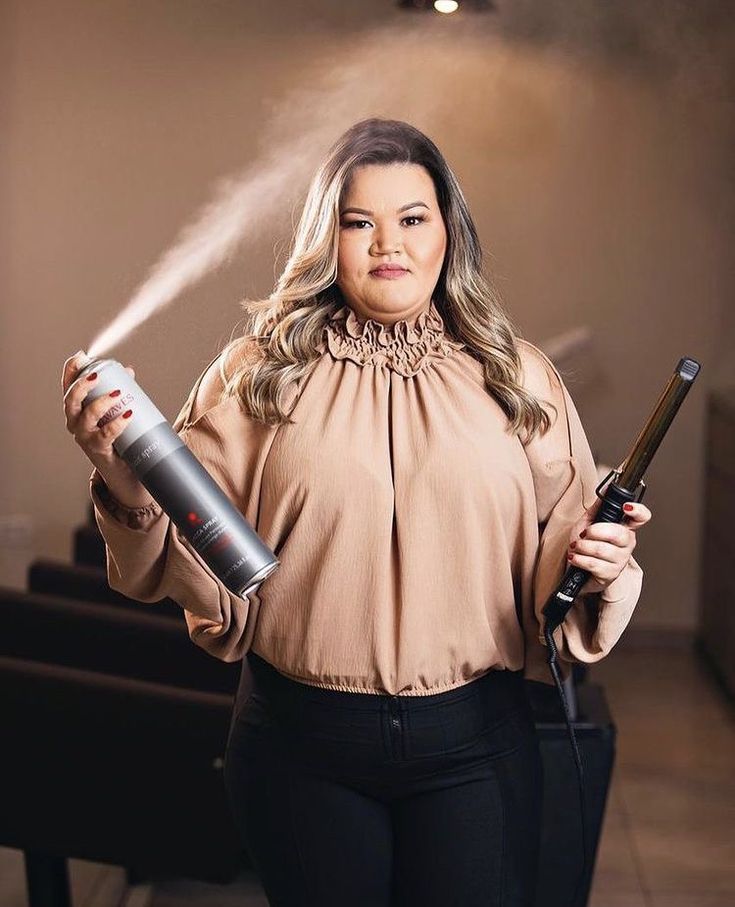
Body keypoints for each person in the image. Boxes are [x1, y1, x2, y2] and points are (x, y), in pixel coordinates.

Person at [62, 117, 651, 907]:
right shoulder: (256, 374)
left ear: (448, 232)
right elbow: (181, 545)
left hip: (477, 746)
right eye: (358, 221)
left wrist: (600, 562)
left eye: (412, 218)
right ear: (327, 238)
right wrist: (118, 468)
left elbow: (558, 554)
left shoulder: (520, 377)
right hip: (300, 749)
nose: (389, 244)